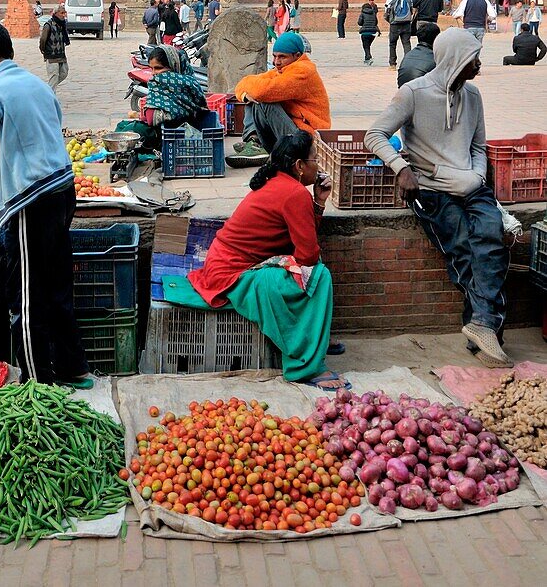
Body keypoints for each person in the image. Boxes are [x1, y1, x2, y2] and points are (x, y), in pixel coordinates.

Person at [364, 28, 511, 367]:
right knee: (461, 247)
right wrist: (401, 168)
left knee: (491, 241)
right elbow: (375, 134)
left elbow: (478, 146)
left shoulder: (473, 96)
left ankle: (481, 324)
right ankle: (487, 327)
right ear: (455, 59)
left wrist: (475, 175)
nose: (477, 66)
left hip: (472, 186)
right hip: (430, 188)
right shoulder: (413, 93)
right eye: (473, 59)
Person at [0, 22, 88, 387]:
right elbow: (54, 125)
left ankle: (38, 381)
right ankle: (75, 369)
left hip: (31, 200)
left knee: (27, 294)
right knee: (58, 284)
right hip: (63, 187)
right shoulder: (37, 84)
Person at [188, 132, 344, 388]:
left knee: (310, 270)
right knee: (319, 276)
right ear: (299, 166)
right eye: (315, 159)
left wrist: (319, 201)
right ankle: (306, 363)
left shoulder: (281, 182)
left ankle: (317, 335)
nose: (319, 166)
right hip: (232, 272)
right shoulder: (294, 193)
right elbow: (307, 255)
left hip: (225, 262)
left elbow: (302, 238)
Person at [233, 32, 331, 159]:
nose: (276, 62)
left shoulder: (303, 71)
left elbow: (262, 92)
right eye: (274, 57)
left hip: (306, 138)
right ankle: (253, 141)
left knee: (263, 100)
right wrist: (245, 95)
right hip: (291, 131)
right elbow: (244, 82)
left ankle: (258, 145)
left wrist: (252, 91)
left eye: (282, 57)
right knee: (253, 96)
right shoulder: (282, 70)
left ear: (297, 56)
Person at [139, 45, 209, 145]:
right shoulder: (191, 83)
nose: (154, 73)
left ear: (173, 66)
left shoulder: (163, 81)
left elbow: (151, 119)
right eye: (151, 69)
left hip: (175, 137)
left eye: (158, 68)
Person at [39, 4, 71, 93]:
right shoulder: (48, 25)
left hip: (61, 54)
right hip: (51, 56)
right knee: (54, 75)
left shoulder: (62, 25)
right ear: (56, 13)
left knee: (64, 73)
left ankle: (47, 88)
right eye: (62, 13)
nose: (64, 15)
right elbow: (43, 40)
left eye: (65, 13)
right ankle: (49, 94)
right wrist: (45, 52)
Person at [397, 21, 440, 86]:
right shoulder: (435, 58)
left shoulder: (409, 55)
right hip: (422, 92)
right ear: (436, 38)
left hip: (403, 91)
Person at [384, 0, 414, 69]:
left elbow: (387, 12)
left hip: (394, 24)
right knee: (406, 43)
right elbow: (412, 9)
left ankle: (393, 64)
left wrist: (389, 21)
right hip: (406, 23)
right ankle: (408, 63)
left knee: (392, 44)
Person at [357, 0, 380, 65]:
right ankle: (367, 58)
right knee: (368, 46)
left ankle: (368, 57)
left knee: (366, 46)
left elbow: (359, 23)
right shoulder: (373, 14)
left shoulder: (362, 14)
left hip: (364, 32)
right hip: (372, 33)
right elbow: (376, 22)